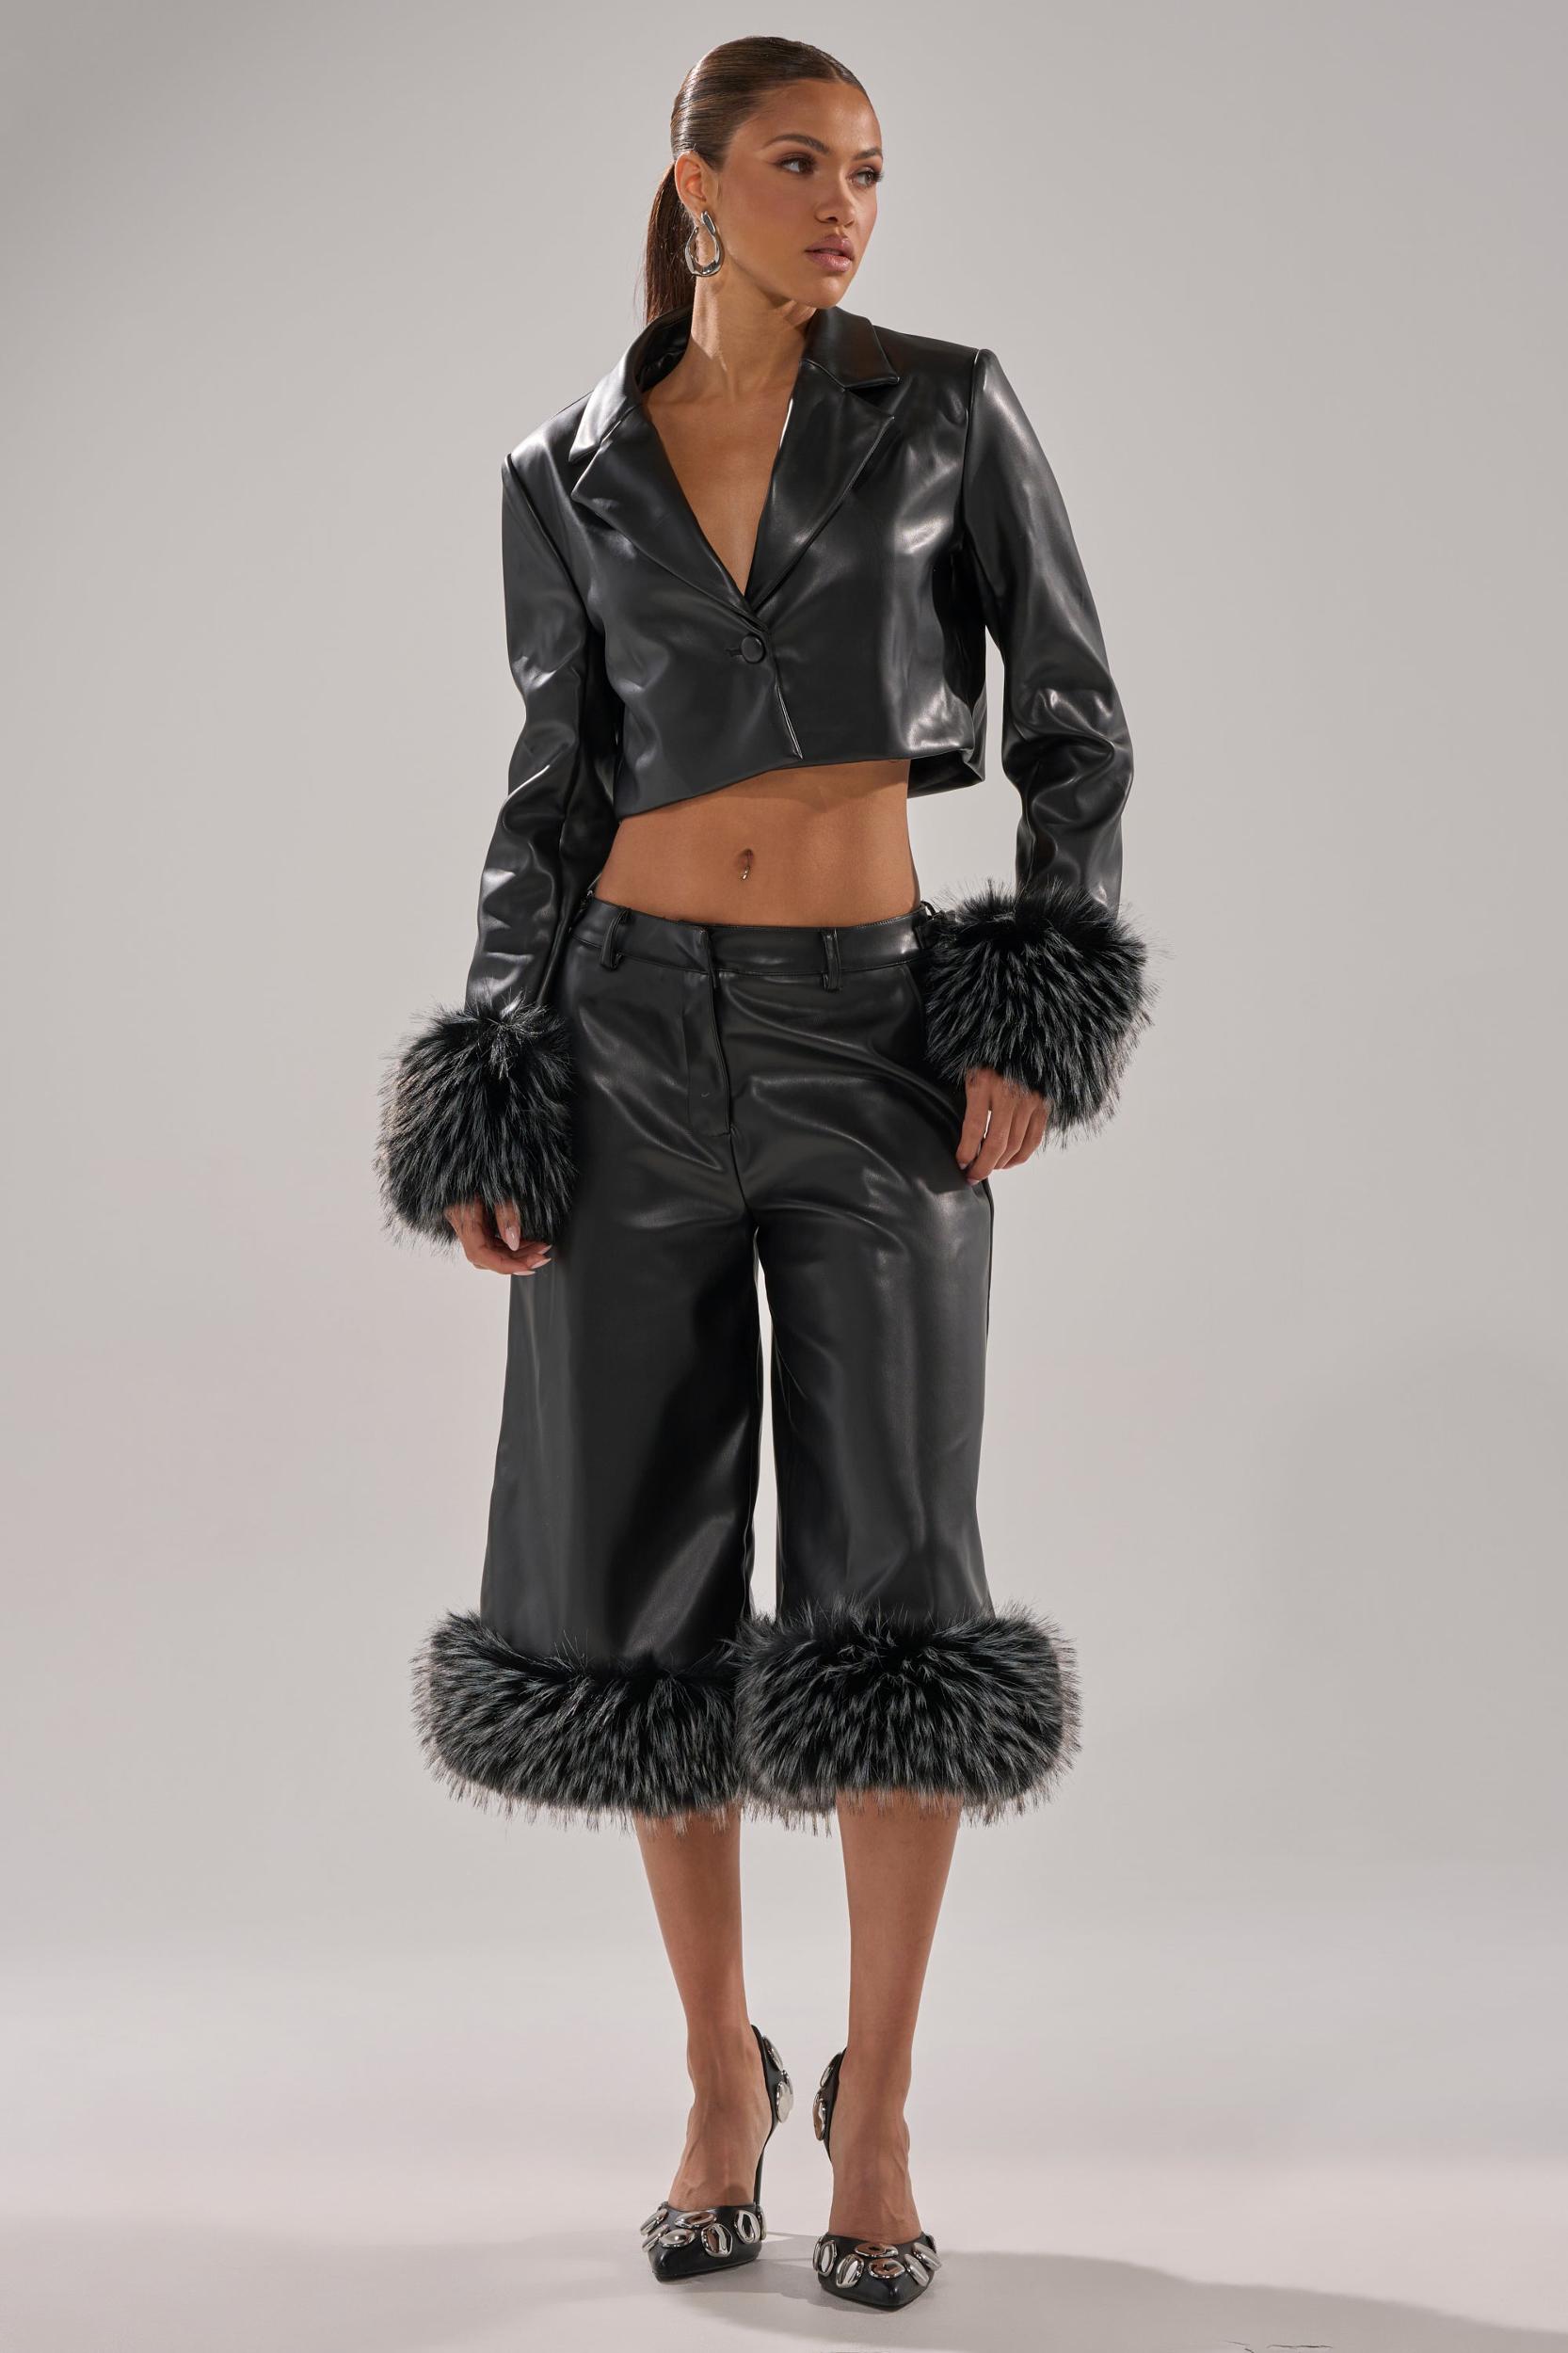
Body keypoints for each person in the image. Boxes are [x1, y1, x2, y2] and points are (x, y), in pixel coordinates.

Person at [376, 35, 1153, 2314]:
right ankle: (721, 2076)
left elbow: (1073, 727)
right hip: (619, 1040)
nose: (845, 206)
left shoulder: (945, 412)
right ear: (695, 183)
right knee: (641, 1591)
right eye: (800, 163)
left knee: (897, 1591)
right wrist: (499, 1072)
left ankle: (873, 2111)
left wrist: (1028, 1007)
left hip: (871, 1043)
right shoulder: (564, 468)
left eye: (870, 171)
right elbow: (548, 790)